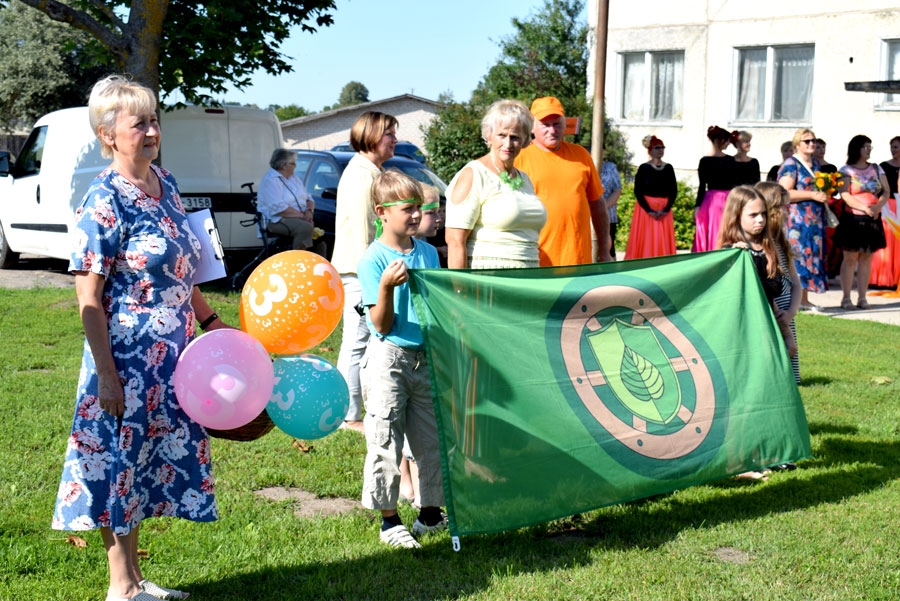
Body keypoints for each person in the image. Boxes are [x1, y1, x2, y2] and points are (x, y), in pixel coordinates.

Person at [52, 75, 231, 601]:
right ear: (109, 135)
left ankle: (134, 581)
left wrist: (212, 322)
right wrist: (106, 375)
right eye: (140, 124)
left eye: (155, 121)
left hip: (172, 359)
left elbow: (184, 270)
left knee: (145, 465)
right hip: (125, 358)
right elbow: (88, 299)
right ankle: (120, 586)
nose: (153, 131)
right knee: (118, 465)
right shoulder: (103, 199)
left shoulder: (166, 182)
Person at [357, 169, 445, 548]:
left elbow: (437, 306)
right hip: (388, 359)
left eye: (419, 209)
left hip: (424, 358)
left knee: (430, 438)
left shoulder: (426, 252)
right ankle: (389, 520)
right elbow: (380, 323)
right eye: (408, 209)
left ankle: (430, 513)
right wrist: (386, 287)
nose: (415, 215)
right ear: (382, 212)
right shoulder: (373, 259)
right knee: (385, 436)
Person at [717, 185, 796, 481]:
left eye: (763, 214)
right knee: (742, 398)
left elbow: (773, 294)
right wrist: (735, 262)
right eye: (753, 215)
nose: (760, 220)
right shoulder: (729, 253)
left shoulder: (767, 248)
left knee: (769, 392)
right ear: (736, 216)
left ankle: (771, 452)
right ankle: (738, 461)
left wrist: (785, 331)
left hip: (767, 329)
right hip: (741, 335)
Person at [330, 111, 398, 433]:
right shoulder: (361, 176)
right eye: (389, 134)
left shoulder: (370, 171)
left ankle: (357, 408)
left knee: (364, 342)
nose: (395, 140)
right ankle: (349, 415)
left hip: (362, 268)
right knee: (356, 343)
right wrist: (372, 270)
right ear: (371, 135)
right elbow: (362, 231)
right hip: (359, 271)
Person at [445, 99, 547, 269]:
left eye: (515, 137)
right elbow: (455, 241)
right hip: (488, 279)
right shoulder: (474, 173)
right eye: (502, 135)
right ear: (489, 135)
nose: (508, 144)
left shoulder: (525, 179)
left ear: (525, 140)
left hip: (529, 277)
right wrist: (459, 292)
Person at [514, 96, 611, 265]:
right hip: (535, 262)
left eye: (557, 124)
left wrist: (604, 250)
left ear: (565, 124)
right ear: (532, 126)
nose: (552, 130)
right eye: (545, 124)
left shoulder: (580, 155)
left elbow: (598, 204)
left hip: (578, 261)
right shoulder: (519, 158)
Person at [836, 135, 890, 310]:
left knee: (867, 258)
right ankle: (846, 298)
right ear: (856, 148)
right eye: (865, 147)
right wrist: (864, 208)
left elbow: (886, 191)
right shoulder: (846, 170)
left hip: (873, 218)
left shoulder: (876, 168)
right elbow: (845, 194)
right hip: (853, 219)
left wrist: (877, 207)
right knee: (850, 258)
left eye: (870, 147)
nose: (868, 150)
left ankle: (862, 297)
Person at [778, 128, 828, 312]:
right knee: (798, 257)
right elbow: (784, 192)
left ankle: (804, 299)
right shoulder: (791, 164)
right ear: (797, 144)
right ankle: (795, 300)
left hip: (813, 220)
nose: (811, 144)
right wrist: (813, 195)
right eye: (807, 141)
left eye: (813, 140)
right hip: (796, 220)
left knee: (810, 257)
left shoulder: (815, 164)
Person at [756, 181, 802, 383]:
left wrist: (791, 313)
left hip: (785, 315)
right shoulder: (760, 247)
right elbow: (762, 288)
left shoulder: (781, 243)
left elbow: (796, 284)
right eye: (784, 207)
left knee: (788, 377)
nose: (788, 211)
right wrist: (781, 320)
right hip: (770, 317)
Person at [626, 135, 677, 259]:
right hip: (646, 210)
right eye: (657, 147)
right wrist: (649, 210)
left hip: (663, 208)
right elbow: (638, 191)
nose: (660, 150)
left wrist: (666, 210)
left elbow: (673, 190)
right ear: (651, 150)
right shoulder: (644, 168)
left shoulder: (668, 168)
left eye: (662, 147)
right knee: (646, 236)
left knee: (662, 238)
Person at [255, 148, 316, 250]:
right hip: (275, 220)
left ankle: (317, 262)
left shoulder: (294, 178)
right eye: (294, 164)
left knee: (322, 234)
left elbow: (309, 198)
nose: (295, 167)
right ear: (284, 165)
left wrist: (309, 211)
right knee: (305, 228)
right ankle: (297, 261)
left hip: (297, 217)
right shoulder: (270, 180)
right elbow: (279, 208)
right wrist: (302, 216)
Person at [692, 125, 737, 252]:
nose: (728, 143)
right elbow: (702, 185)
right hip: (724, 199)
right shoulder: (730, 160)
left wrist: (697, 206)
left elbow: (702, 186)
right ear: (718, 140)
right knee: (719, 229)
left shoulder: (705, 161)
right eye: (726, 140)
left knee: (714, 229)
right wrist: (697, 206)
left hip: (710, 200)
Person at [873, 136, 900, 289]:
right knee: (887, 240)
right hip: (888, 206)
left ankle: (897, 279)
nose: (893, 150)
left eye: (896, 146)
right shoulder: (883, 166)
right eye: (892, 147)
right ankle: (883, 279)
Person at [599, 147, 623, 259]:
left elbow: (617, 189)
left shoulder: (611, 167)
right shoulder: (583, 166)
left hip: (608, 215)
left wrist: (602, 206)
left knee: (609, 248)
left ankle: (611, 274)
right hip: (587, 215)